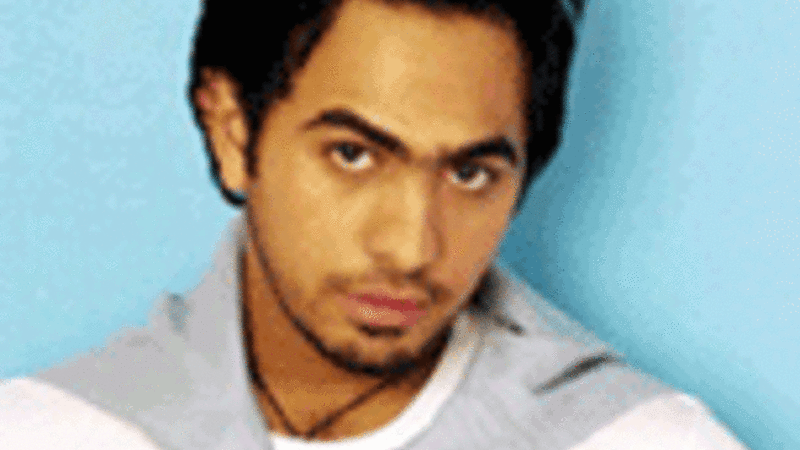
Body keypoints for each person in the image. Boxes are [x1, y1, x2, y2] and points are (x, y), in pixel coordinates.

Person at [0, 0, 750, 449]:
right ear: (232, 132)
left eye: (470, 173)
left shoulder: (637, 440)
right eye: (353, 156)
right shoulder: (52, 432)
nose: (411, 246)